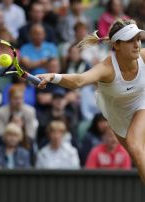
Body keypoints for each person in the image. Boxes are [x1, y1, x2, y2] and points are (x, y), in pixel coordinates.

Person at [36, 18, 145, 184]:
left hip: (142, 103)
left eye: (138, 39)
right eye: (130, 40)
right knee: (137, 153)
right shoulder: (107, 68)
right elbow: (79, 80)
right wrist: (53, 76)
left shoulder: (143, 56)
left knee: (135, 144)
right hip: (117, 115)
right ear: (116, 45)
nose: (137, 44)